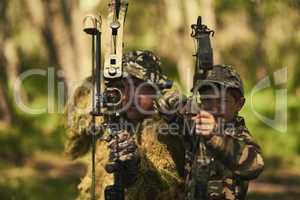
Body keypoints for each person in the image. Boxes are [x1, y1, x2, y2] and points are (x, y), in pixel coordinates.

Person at [64, 50, 185, 200]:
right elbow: (75, 137)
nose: (130, 96)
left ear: (157, 92)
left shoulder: (165, 131)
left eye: (140, 87)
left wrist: (135, 165)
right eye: (123, 87)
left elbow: (164, 183)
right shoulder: (110, 118)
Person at [184, 65, 265, 200]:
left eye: (222, 101)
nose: (214, 108)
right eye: (207, 100)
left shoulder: (239, 135)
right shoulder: (196, 128)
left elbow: (255, 165)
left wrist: (214, 136)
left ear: (239, 104)